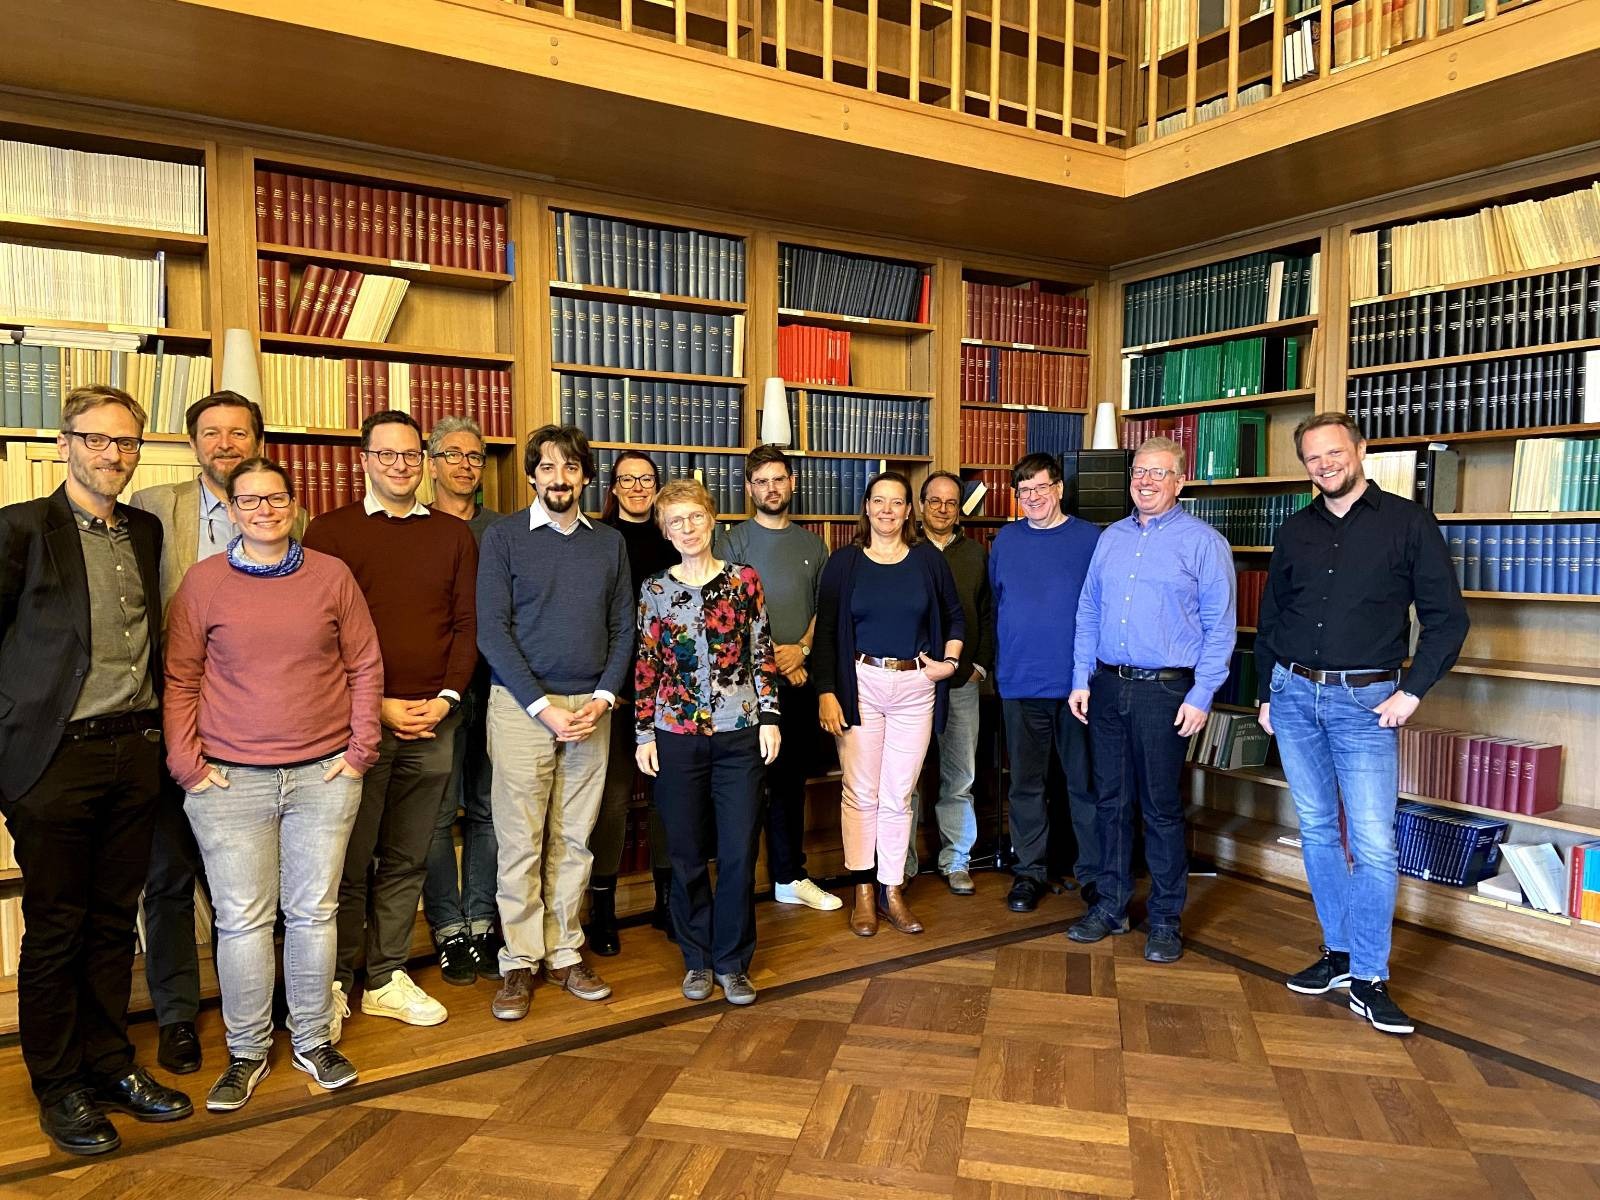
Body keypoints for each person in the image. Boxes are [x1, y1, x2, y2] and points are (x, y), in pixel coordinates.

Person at [0, 385, 192, 1156]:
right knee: (56, 927)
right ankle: (59, 1084)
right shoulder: (19, 529)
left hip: (133, 752)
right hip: (51, 759)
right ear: (64, 442)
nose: (113, 455)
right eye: (97, 439)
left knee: (116, 923)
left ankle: (111, 1063)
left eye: (127, 443)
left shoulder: (144, 530)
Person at [164, 458, 383, 1110]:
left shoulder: (330, 575)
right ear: (231, 510)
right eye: (250, 500)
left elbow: (366, 664)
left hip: (323, 775)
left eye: (276, 497)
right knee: (241, 923)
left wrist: (360, 751)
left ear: (294, 504)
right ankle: (248, 1052)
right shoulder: (203, 584)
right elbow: (180, 679)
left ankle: (314, 1040)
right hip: (230, 783)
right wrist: (188, 767)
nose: (264, 509)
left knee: (314, 914)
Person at [1257, 413, 1467, 1034]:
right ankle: (1340, 954)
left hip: (1366, 703)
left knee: (1374, 844)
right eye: (1313, 458)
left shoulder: (1408, 523)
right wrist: (1269, 693)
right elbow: (1273, 617)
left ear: (1360, 451)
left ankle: (1371, 977)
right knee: (1318, 830)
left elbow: (1447, 620)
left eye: (1334, 453)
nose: (1325, 465)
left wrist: (1413, 691)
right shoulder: (1294, 530)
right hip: (1293, 697)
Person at [129, 389, 305, 1076]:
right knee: (168, 878)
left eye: (240, 432)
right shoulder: (152, 508)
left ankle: (286, 1005)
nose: (226, 443)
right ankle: (177, 1018)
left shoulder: (294, 516)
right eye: (212, 433)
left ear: (259, 440)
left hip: (262, 733)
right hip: (176, 720)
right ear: (192, 442)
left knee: (272, 884)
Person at [303, 411, 479, 1036]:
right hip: (359, 724)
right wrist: (373, 704)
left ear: (425, 463)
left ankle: (383, 976)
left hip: (435, 722)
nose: (400, 466)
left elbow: (466, 625)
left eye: (410, 455)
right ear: (365, 460)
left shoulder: (452, 536)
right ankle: (333, 981)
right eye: (387, 455)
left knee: (406, 857)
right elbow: (319, 632)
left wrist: (448, 698)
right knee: (349, 862)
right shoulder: (329, 533)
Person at [477, 424, 633, 1019]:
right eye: (547, 468)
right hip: (522, 708)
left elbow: (623, 628)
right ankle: (518, 961)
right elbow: (493, 629)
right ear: (532, 476)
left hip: (592, 709)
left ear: (586, 477)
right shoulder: (505, 538)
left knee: (574, 838)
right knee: (520, 840)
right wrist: (541, 707)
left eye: (571, 468)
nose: (559, 479)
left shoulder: (608, 544)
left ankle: (565, 951)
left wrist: (602, 697)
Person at [1067, 437, 1235, 963]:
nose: (1145, 482)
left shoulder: (1204, 543)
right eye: (1139, 472)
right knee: (1110, 802)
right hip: (1108, 685)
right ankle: (1111, 905)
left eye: (1158, 474)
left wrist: (1203, 693)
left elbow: (1220, 627)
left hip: (1167, 691)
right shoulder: (1109, 538)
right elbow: (1088, 610)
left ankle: (1164, 918)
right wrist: (1081, 677)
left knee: (1161, 808)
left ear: (1180, 482)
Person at [635, 479, 781, 1005]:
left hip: (739, 732)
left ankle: (733, 962)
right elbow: (647, 664)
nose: (687, 528)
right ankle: (696, 959)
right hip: (676, 737)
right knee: (687, 852)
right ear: (665, 531)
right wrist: (642, 732)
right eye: (675, 521)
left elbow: (761, 650)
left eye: (695, 517)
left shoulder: (744, 581)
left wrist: (770, 717)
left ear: (712, 519)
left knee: (740, 850)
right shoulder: (654, 590)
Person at [814, 471, 964, 937]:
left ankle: (891, 890)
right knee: (861, 792)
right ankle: (862, 891)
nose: (886, 510)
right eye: (878, 501)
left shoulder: (927, 562)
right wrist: (826, 691)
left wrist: (950, 663)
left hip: (915, 686)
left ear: (908, 511)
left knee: (899, 795)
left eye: (896, 502)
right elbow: (824, 634)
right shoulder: (844, 563)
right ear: (866, 507)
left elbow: (956, 617)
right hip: (860, 682)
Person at [715, 446, 839, 914]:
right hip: (745, 690)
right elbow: (726, 615)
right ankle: (739, 885)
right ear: (749, 488)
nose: (771, 488)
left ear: (792, 484)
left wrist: (801, 651)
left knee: (791, 783)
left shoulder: (813, 545)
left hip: (800, 682)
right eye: (761, 480)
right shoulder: (732, 543)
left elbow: (822, 609)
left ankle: (791, 876)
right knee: (746, 786)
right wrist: (775, 659)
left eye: (779, 479)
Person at [987, 452, 1102, 914]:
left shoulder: (1091, 538)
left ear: (1059, 488)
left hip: (1078, 687)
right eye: (1024, 491)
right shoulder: (1006, 541)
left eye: (1040, 487)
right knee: (1026, 786)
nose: (1032, 497)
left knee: (1085, 785)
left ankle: (1094, 876)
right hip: (1019, 682)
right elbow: (999, 601)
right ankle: (1029, 872)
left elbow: (1103, 607)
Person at [419, 417, 504, 986]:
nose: (465, 466)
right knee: (432, 814)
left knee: (489, 810)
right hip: (432, 695)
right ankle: (447, 928)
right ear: (430, 461)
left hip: (495, 688)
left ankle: (480, 920)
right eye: (453, 455)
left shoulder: (503, 530)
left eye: (475, 456)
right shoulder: (414, 526)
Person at [590, 449, 678, 953]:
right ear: (614, 487)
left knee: (668, 799)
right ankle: (603, 909)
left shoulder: (674, 538)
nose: (638, 487)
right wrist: (611, 685)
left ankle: (667, 901)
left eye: (647, 479)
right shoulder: (600, 539)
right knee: (614, 802)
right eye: (628, 479)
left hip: (668, 694)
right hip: (616, 694)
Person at [906, 470, 995, 894]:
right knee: (903, 779)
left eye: (951, 502)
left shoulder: (975, 554)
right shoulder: (901, 549)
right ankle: (899, 864)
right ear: (921, 506)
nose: (943, 509)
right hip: (909, 685)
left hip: (961, 683)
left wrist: (979, 664)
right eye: (934, 501)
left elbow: (989, 611)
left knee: (960, 777)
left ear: (960, 510)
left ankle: (956, 858)